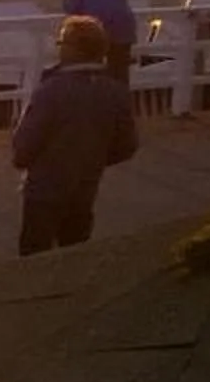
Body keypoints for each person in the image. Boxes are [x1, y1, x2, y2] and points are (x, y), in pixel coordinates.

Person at [12, 16, 138, 256]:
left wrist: (27, 160)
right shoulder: (115, 91)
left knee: (33, 259)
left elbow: (24, 146)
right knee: (75, 253)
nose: (59, 48)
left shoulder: (51, 91)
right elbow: (127, 145)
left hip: (44, 189)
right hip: (85, 187)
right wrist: (95, 158)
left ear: (74, 49)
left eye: (62, 43)